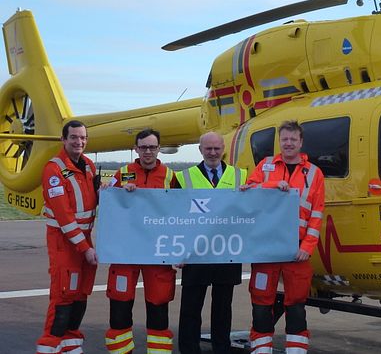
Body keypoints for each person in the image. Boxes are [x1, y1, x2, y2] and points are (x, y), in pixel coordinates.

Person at [248, 120, 325, 354]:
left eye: (293, 139)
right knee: (261, 305)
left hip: (297, 252)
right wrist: (273, 184)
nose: (288, 143)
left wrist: (308, 246)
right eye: (284, 139)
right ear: (279, 142)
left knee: (296, 307)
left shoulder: (314, 173)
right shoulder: (265, 165)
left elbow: (317, 213)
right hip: (266, 249)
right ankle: (261, 350)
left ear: (300, 142)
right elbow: (248, 191)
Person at [175, 132, 248, 354]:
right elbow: (175, 217)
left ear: (223, 148)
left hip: (227, 252)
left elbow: (252, 209)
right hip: (194, 252)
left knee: (223, 308)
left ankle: (222, 348)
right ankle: (188, 349)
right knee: (190, 308)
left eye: (217, 148)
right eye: (208, 149)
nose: (213, 153)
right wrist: (178, 251)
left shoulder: (242, 176)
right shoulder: (183, 177)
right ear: (200, 150)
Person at [104, 129, 176, 354]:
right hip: (126, 253)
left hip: (157, 253)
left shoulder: (170, 176)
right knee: (120, 305)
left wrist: (178, 250)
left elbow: (180, 215)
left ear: (158, 149)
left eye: (152, 147)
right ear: (136, 149)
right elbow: (107, 204)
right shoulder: (123, 173)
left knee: (158, 305)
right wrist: (113, 192)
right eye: (143, 147)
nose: (148, 152)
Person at [36, 120, 99, 354]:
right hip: (65, 244)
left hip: (84, 241)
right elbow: (64, 217)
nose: (79, 142)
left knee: (80, 296)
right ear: (64, 140)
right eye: (74, 137)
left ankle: (71, 347)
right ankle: (49, 347)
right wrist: (85, 249)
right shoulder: (53, 170)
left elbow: (100, 195)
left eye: (83, 138)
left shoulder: (89, 166)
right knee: (63, 298)